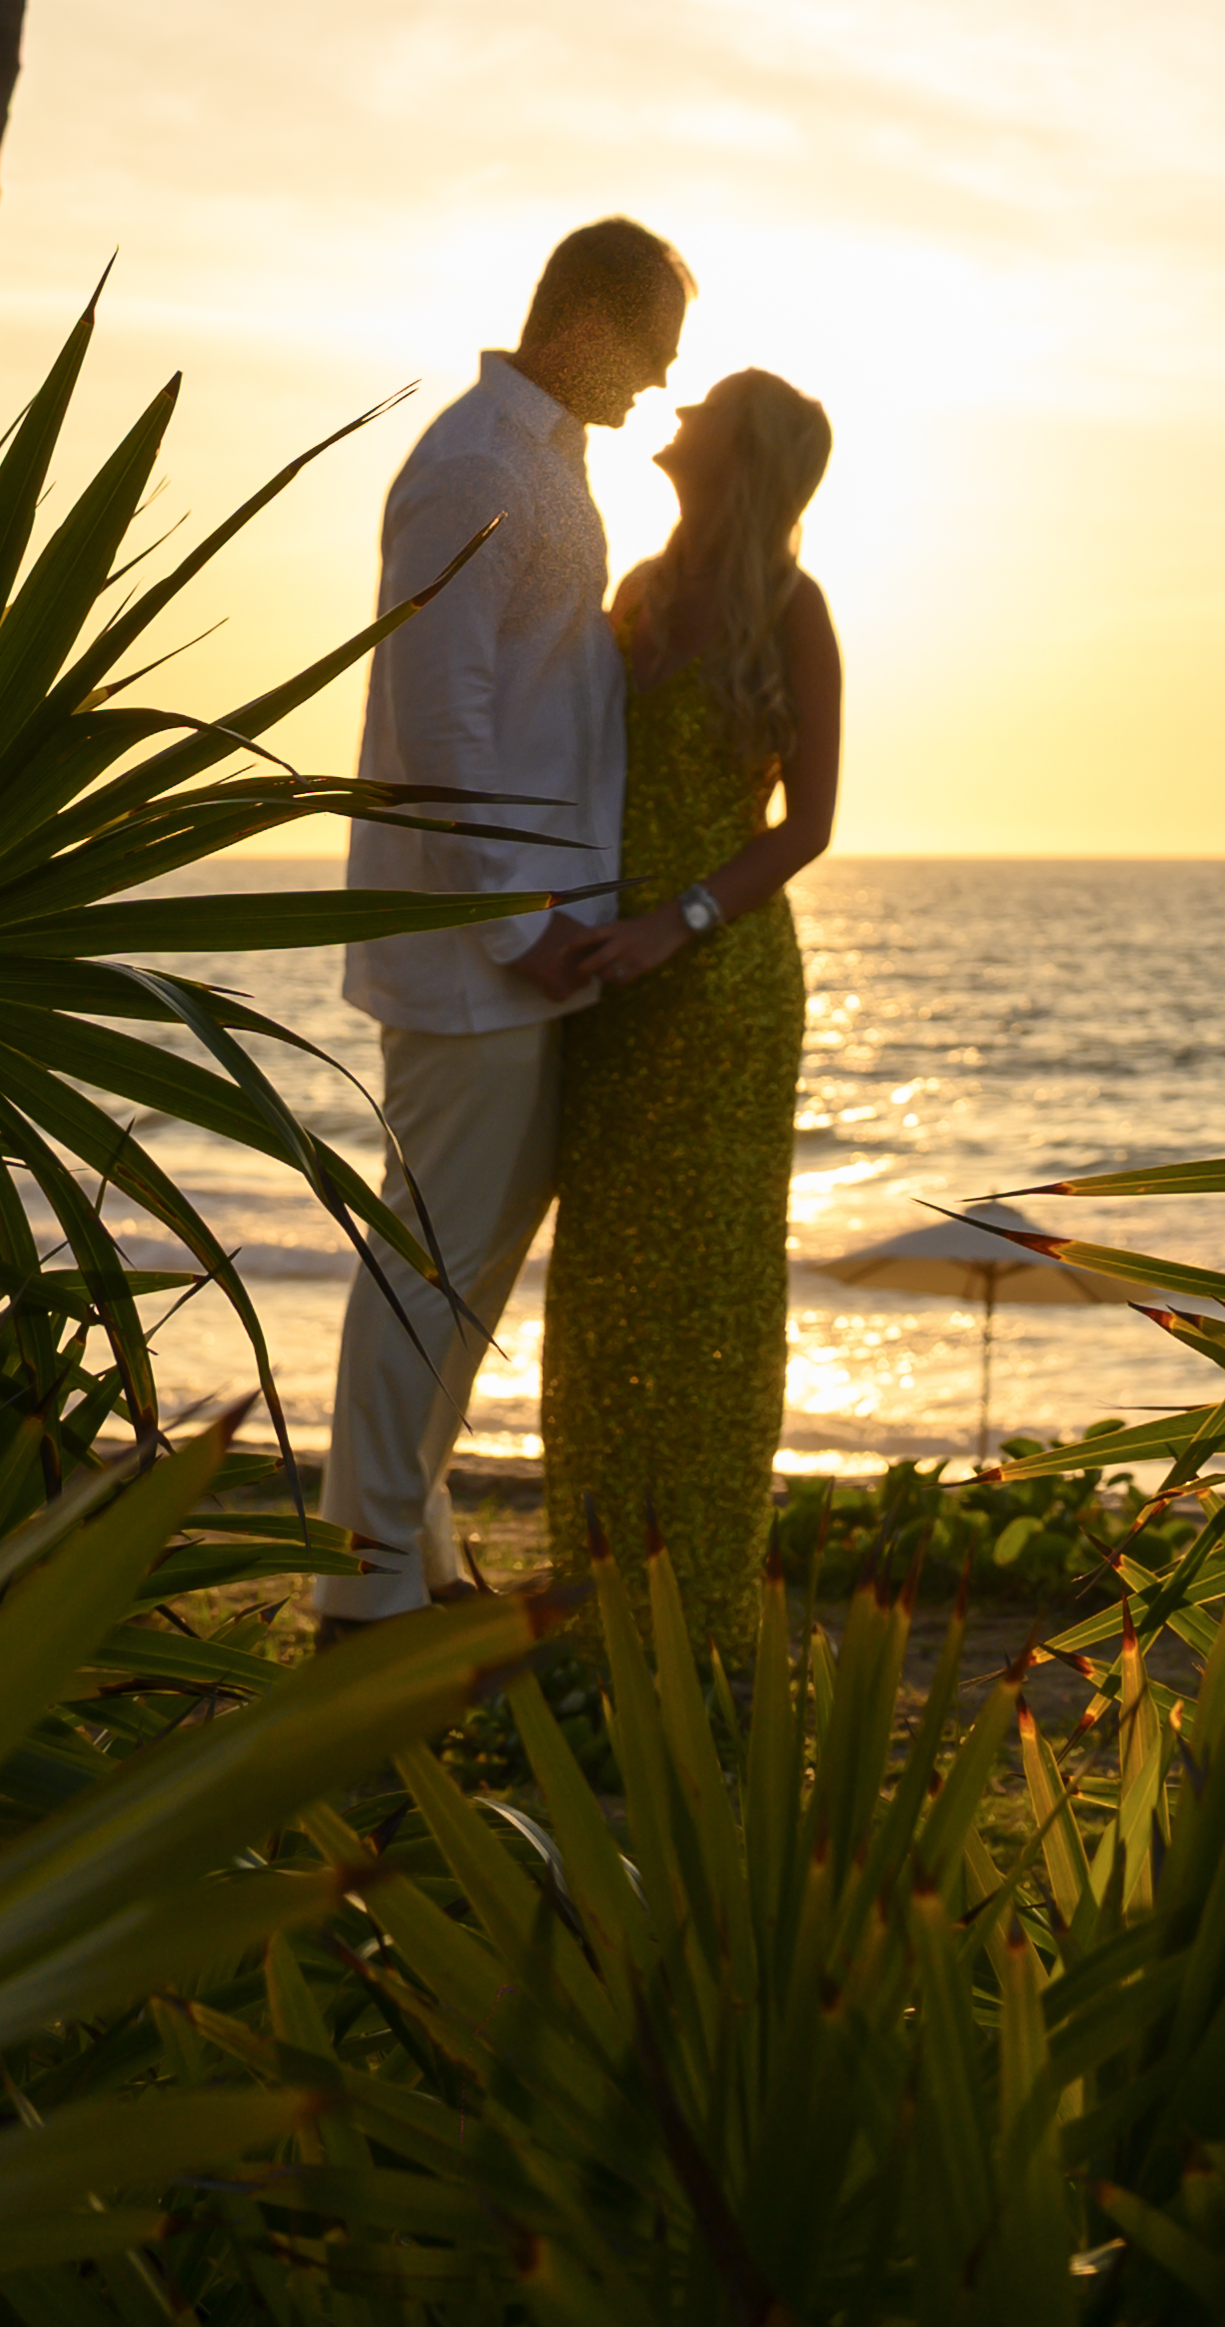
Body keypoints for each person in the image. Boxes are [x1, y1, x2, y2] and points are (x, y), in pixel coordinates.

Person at [312, 212, 692, 1626]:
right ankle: (364, 1593)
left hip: (529, 939)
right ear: (587, 319)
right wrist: (517, 918)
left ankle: (413, 1554)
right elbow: (439, 720)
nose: (657, 379)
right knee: (428, 1269)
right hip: (479, 952)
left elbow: (532, 697)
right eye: (652, 347)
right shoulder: (472, 465)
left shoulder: (543, 464)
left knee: (456, 1273)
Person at [539, 365, 841, 1663]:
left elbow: (813, 823)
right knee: (604, 1286)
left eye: (708, 404)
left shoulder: (794, 608)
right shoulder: (641, 590)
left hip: (722, 990)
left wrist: (679, 923)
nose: (681, 411)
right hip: (615, 979)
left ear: (745, 451)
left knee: (711, 1299)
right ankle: (598, 1598)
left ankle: (702, 1627)